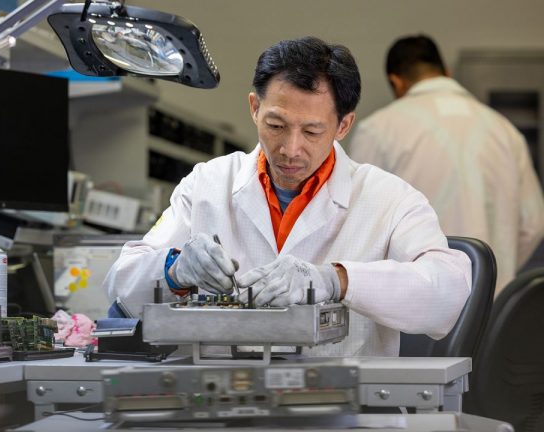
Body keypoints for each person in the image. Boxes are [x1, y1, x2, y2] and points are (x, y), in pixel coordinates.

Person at [103, 36, 471, 357]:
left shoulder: (390, 199)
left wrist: (336, 280)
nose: (290, 150)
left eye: (312, 131)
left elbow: (447, 294)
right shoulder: (208, 183)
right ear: (254, 108)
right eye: (276, 126)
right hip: (221, 405)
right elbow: (122, 285)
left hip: (345, 408)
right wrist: (175, 269)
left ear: (343, 125)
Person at [348, 35, 544, 296]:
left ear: (396, 82)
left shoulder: (379, 130)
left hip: (416, 307)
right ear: (447, 73)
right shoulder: (505, 131)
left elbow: (359, 224)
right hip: (492, 304)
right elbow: (534, 223)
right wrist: (497, 270)